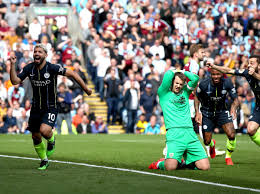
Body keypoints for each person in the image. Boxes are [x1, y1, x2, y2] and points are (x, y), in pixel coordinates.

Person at [9, 44, 92, 170]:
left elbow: (72, 73)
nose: (37, 53)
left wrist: (85, 89)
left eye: (40, 52)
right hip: (36, 107)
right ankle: (44, 160)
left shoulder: (52, 68)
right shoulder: (29, 68)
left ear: (45, 55)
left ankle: (51, 140)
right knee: (35, 136)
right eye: (35, 51)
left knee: (45, 131)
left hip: (50, 106)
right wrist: (12, 65)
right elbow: (15, 81)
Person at [149, 69, 210, 170]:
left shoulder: (185, 92)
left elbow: (195, 79)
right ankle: (159, 164)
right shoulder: (163, 93)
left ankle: (184, 163)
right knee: (170, 167)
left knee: (205, 167)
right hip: (174, 134)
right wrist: (176, 71)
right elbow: (168, 74)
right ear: (172, 82)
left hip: (190, 133)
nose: (178, 86)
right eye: (176, 83)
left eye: (181, 84)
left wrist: (184, 72)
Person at [207, 55, 260, 147]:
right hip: (259, 106)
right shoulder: (247, 73)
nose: (249, 65)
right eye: (249, 63)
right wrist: (214, 66)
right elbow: (228, 70)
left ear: (259, 66)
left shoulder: (253, 74)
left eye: (252, 63)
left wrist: (254, 74)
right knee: (251, 129)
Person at [194, 68, 239, 165]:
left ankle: (228, 157)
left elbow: (236, 99)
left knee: (231, 134)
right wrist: (197, 112)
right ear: (210, 74)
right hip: (207, 113)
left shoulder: (227, 83)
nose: (216, 77)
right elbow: (196, 96)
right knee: (206, 141)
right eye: (213, 74)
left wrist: (233, 108)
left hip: (222, 112)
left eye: (218, 74)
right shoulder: (204, 84)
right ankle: (212, 144)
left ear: (222, 74)